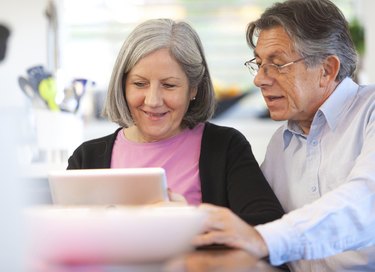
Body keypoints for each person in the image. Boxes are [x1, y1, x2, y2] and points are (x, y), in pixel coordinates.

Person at [193, 0, 375, 271]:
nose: (259, 79)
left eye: (277, 64)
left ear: (327, 70)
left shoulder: (370, 112)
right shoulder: (281, 143)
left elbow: (365, 202)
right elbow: (260, 227)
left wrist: (260, 239)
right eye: (258, 64)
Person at [67, 18, 284, 226]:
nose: (152, 101)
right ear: (123, 85)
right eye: (139, 84)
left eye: (169, 85)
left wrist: (191, 220)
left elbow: (267, 225)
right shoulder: (86, 158)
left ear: (194, 88)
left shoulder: (225, 147)